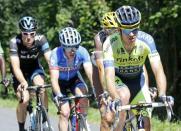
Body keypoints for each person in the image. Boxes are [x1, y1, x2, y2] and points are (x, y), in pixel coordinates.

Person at [100, 5, 167, 131]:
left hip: (138, 82)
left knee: (146, 123)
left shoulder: (147, 40)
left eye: (135, 29)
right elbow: (108, 74)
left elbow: (158, 70)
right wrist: (115, 97)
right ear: (119, 29)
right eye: (126, 30)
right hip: (118, 81)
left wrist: (162, 94)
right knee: (116, 109)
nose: (131, 34)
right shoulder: (110, 43)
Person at [93, 11, 150, 131]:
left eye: (116, 29)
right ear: (105, 29)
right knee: (106, 114)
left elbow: (140, 65)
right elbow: (101, 69)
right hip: (102, 72)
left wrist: (146, 88)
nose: (114, 32)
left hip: (122, 73)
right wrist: (106, 92)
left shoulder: (128, 38)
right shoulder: (100, 39)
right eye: (111, 29)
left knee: (137, 107)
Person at [9, 16, 51, 131]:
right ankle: (21, 128)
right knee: (24, 100)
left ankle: (45, 120)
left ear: (35, 32)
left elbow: (50, 61)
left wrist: (55, 75)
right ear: (20, 33)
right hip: (19, 72)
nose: (28, 37)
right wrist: (23, 82)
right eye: (25, 34)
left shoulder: (41, 39)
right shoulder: (14, 42)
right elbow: (16, 67)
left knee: (41, 86)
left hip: (34, 68)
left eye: (31, 34)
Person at [49, 27, 94, 131]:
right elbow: (54, 79)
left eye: (76, 46)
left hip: (74, 79)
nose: (73, 50)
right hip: (60, 84)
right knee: (64, 113)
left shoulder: (82, 51)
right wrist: (59, 95)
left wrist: (95, 88)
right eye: (69, 47)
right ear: (63, 46)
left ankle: (81, 121)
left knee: (83, 96)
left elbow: (90, 73)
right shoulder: (55, 54)